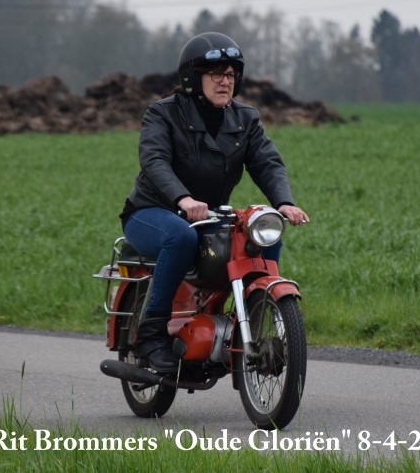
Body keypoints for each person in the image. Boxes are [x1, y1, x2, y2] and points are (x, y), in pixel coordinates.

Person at [119, 31, 309, 372]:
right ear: (193, 78)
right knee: (180, 236)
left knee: (260, 236)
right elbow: (155, 160)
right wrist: (183, 198)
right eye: (216, 74)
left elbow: (266, 162)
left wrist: (283, 202)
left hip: (207, 215)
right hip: (152, 210)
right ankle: (151, 336)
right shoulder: (162, 113)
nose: (226, 81)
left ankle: (250, 323)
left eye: (231, 75)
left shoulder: (245, 118)